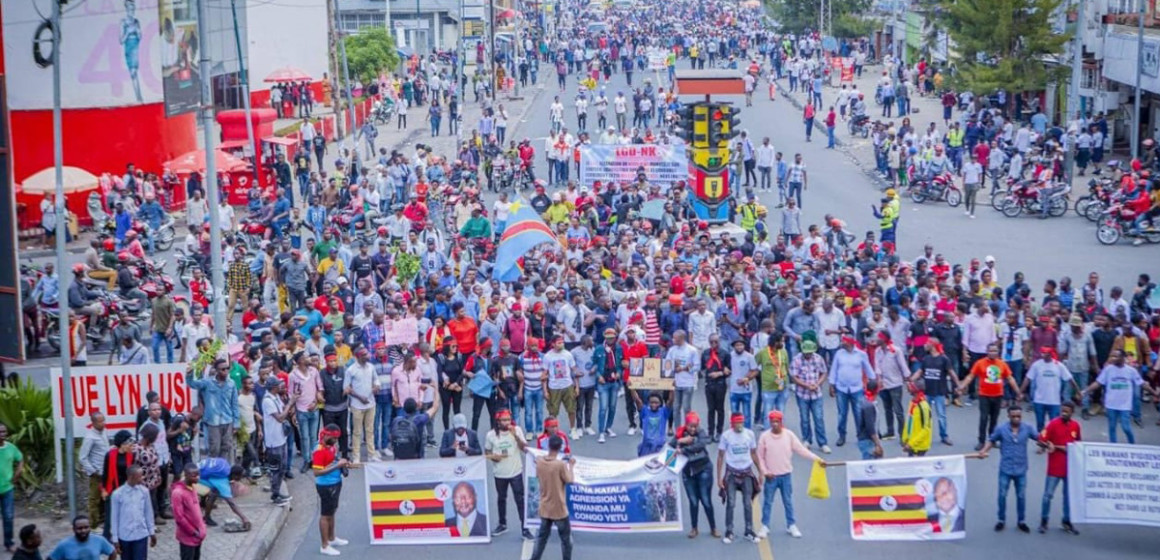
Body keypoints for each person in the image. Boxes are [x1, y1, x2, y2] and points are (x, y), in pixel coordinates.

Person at [756, 410, 823, 540]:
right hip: (771, 477)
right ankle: (765, 526)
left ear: (781, 422)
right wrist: (765, 472)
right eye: (772, 422)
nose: (775, 424)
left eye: (777, 421)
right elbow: (760, 457)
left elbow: (801, 450)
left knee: (788, 501)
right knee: (768, 502)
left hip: (786, 475)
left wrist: (817, 459)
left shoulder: (789, 435)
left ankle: (791, 524)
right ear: (770, 422)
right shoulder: (764, 437)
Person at [978, 407, 1042, 533]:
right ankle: (1001, 520)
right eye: (1014, 416)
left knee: (1021, 496)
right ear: (1009, 416)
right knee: (1002, 495)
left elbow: (1039, 438)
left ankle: (1021, 521)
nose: (1016, 419)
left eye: (1019, 416)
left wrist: (1047, 443)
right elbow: (991, 440)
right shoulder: (1001, 429)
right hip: (1005, 469)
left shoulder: (1027, 428)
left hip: (1021, 468)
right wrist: (983, 451)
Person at [1080, 349, 1158, 443]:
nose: (1113, 358)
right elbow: (1098, 383)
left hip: (1125, 405)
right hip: (1111, 404)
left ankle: (1132, 446)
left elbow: (1142, 384)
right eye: (1112, 356)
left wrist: (1154, 393)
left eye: (1115, 356)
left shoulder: (1131, 371)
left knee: (1126, 428)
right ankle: (1113, 446)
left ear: (1122, 358)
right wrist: (1085, 391)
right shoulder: (1108, 370)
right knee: (1112, 427)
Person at [958, 343, 1022, 451]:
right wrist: (961, 386)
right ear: (987, 352)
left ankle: (992, 440)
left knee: (994, 419)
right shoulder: (980, 363)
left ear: (998, 352)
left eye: (995, 351)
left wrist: (1018, 392)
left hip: (997, 395)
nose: (993, 353)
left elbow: (1010, 379)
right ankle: (981, 441)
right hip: (984, 395)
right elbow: (971, 376)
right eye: (991, 351)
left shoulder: (1002, 364)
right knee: (983, 419)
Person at [485, 409, 533, 539]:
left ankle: (525, 528)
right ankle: (502, 524)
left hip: (516, 472)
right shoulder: (491, 435)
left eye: (508, 420)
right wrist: (494, 457)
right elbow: (487, 452)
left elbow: (525, 449)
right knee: (501, 498)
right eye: (503, 420)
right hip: (499, 473)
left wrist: (516, 436)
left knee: (520, 500)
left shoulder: (516, 430)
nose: (507, 423)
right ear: (498, 421)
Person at [527, 436, 575, 560]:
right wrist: (571, 466)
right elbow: (570, 480)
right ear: (560, 448)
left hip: (545, 506)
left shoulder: (540, 462)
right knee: (566, 540)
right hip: (559, 508)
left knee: (541, 539)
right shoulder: (559, 465)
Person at [717, 412, 762, 544]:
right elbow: (720, 456)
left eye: (741, 422)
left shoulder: (750, 434)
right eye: (737, 422)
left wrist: (760, 472)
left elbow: (753, 453)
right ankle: (729, 531)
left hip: (746, 473)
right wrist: (719, 478)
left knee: (748, 503)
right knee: (731, 502)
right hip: (731, 473)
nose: (740, 425)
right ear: (732, 423)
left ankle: (749, 530)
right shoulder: (726, 436)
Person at [1037, 402, 1080, 535]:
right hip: (1054, 468)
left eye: (1067, 411)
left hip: (1070, 468)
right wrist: (1047, 445)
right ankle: (1044, 521)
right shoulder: (1053, 424)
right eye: (1062, 411)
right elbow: (1040, 439)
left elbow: (1077, 446)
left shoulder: (1076, 426)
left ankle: (1066, 521)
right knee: (1047, 495)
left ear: (1072, 412)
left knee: (1068, 497)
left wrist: (1058, 447)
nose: (1064, 413)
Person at [314, 424, 351, 556]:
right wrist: (337, 466)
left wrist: (342, 464)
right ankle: (324, 545)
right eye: (334, 438)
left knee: (332, 511)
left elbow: (333, 461)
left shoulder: (331, 447)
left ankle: (332, 538)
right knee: (325, 515)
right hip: (326, 486)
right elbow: (317, 472)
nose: (336, 441)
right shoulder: (319, 450)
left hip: (335, 482)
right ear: (327, 435)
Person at [108, 465, 156, 560]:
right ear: (131, 477)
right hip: (125, 536)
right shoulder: (118, 494)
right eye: (140, 476)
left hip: (141, 534)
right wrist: (115, 538)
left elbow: (148, 513)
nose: (142, 478)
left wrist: (152, 532)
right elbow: (114, 517)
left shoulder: (144, 492)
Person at [261, 378, 295, 505]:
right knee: (276, 469)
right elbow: (280, 417)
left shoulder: (276, 398)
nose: (281, 387)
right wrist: (290, 403)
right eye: (278, 385)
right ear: (274, 387)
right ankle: (275, 495)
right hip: (273, 440)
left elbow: (283, 412)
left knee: (282, 468)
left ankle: (278, 492)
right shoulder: (268, 401)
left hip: (281, 437)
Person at [170, 463, 207, 560]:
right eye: (194, 476)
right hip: (188, 536)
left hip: (198, 536)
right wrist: (193, 531)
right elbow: (179, 517)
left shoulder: (193, 487)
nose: (197, 478)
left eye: (198, 475)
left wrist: (202, 527)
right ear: (186, 475)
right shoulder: (178, 493)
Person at [0, 423, 24, 553]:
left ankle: (9, 543)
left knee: (8, 516)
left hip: (7, 488)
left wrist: (18, 472)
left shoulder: (11, 448)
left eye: (4, 432)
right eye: (0, 432)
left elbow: (20, 458)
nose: (2, 434)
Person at [46, 516, 115, 560]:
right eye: (80, 528)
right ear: (74, 529)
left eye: (86, 527)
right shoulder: (64, 545)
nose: (83, 530)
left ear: (90, 527)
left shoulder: (99, 540)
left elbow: (112, 552)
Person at [631, 392, 672, 456]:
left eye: (656, 403)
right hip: (647, 447)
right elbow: (637, 400)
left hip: (660, 447)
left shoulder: (664, 412)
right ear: (648, 403)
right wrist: (632, 388)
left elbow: (671, 401)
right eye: (651, 402)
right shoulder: (645, 411)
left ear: (660, 403)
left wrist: (673, 389)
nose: (654, 404)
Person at [854, 380, 884, 460]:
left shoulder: (866, 401)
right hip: (868, 440)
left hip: (867, 439)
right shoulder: (869, 406)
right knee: (869, 467)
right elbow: (870, 427)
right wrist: (878, 444)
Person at [902, 383, 933, 456]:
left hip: (920, 446)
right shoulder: (912, 403)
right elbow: (909, 422)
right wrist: (905, 438)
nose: (909, 388)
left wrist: (911, 444)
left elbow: (926, 429)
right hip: (911, 443)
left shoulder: (924, 407)